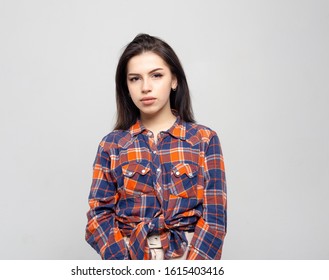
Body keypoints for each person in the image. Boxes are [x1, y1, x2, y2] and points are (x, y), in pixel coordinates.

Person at [85, 34, 227, 260]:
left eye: (156, 75)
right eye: (135, 79)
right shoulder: (112, 145)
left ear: (174, 80)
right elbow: (98, 216)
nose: (145, 87)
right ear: (126, 86)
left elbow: (215, 219)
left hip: (188, 257)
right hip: (131, 257)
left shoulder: (204, 140)